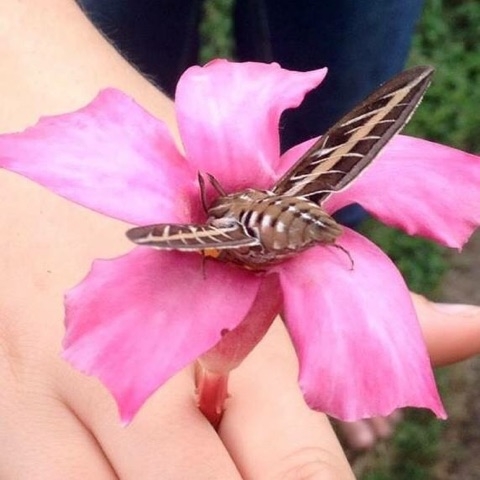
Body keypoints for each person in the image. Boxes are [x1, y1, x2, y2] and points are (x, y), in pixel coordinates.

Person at [1, 1, 480, 478]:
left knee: (346, 54)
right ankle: (335, 363)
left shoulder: (209, 220)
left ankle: (337, 358)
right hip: (293, 209)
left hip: (282, 231)